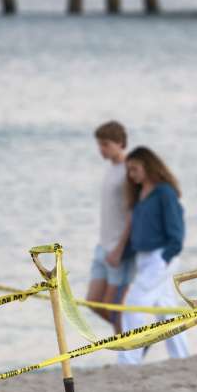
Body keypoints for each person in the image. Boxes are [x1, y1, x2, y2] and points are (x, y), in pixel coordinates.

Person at [117, 146, 190, 365]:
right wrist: (122, 254)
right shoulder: (141, 196)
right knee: (166, 311)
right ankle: (182, 358)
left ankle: (129, 360)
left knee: (133, 304)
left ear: (148, 166)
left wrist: (166, 256)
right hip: (144, 258)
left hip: (161, 256)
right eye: (129, 170)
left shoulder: (164, 193)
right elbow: (140, 232)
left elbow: (176, 229)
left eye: (135, 169)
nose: (132, 174)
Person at [87, 121, 134, 332]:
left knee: (114, 308)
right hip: (102, 246)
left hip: (119, 250)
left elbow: (133, 214)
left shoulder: (128, 171)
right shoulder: (111, 169)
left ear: (120, 143)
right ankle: (135, 338)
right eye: (99, 144)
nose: (101, 149)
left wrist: (120, 248)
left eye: (105, 144)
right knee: (93, 302)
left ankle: (128, 352)